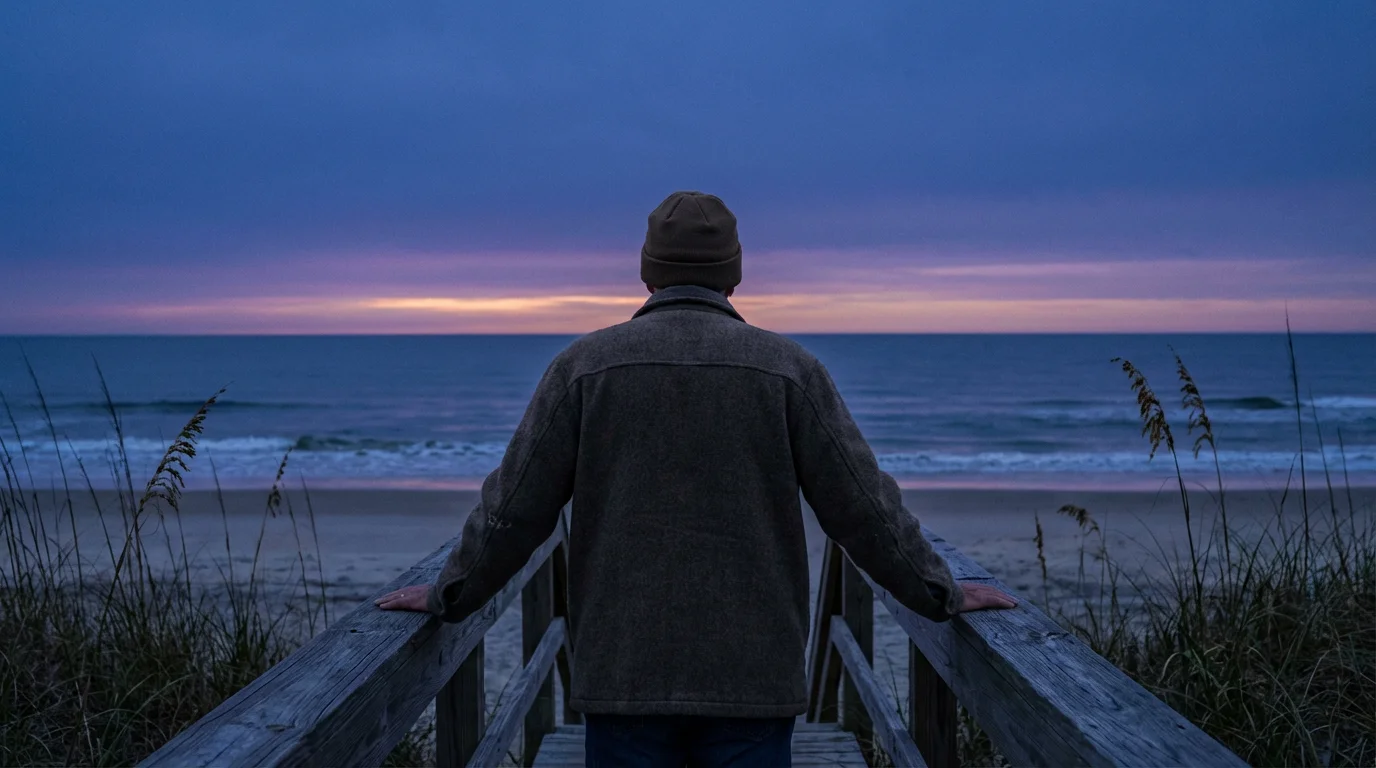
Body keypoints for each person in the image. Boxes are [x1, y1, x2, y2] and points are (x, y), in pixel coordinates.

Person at [376, 191, 1016, 766]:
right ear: (734, 272)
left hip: (623, 673)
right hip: (753, 677)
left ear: (647, 270)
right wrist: (941, 592)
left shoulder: (582, 367)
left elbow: (513, 509)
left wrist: (449, 594)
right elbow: (863, 508)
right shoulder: (790, 370)